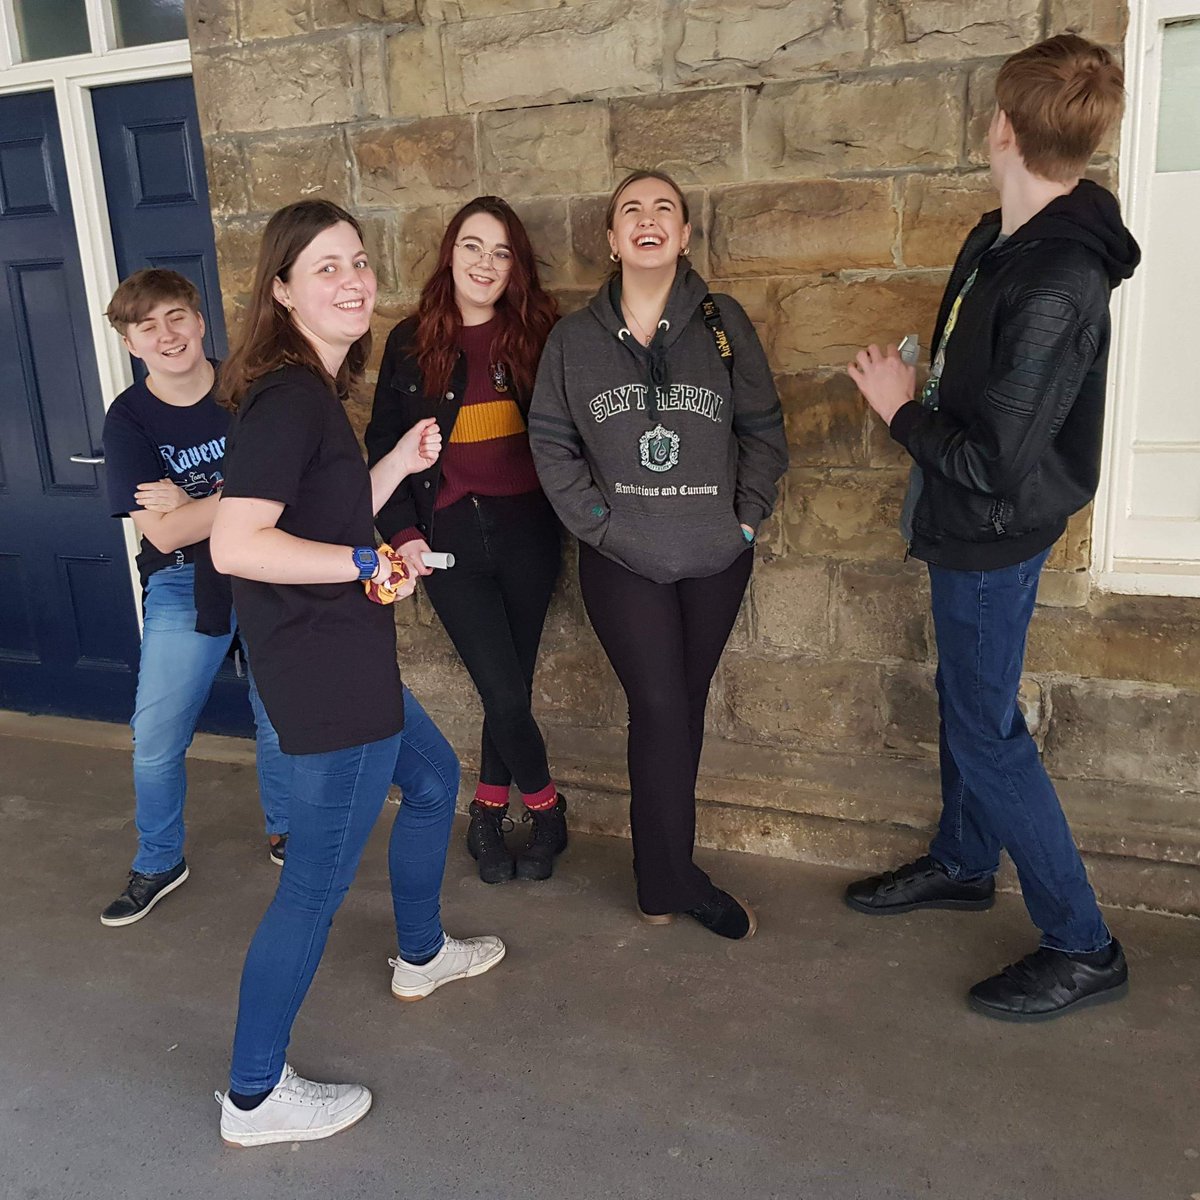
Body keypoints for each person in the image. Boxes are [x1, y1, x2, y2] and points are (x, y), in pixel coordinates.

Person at [844, 34, 1140, 1021]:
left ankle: (1082, 942)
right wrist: (923, 384)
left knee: (986, 726)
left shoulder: (1060, 281)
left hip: (993, 529)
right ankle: (967, 861)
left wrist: (896, 409)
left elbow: (992, 461)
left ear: (1001, 127)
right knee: (968, 702)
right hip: (969, 521)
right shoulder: (1000, 238)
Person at [209, 199, 504, 1147]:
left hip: (344, 662)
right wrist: (365, 564)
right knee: (314, 887)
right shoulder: (290, 398)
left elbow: (326, 517)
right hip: (328, 677)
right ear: (282, 288)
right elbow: (237, 543)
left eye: (360, 261)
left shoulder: (312, 393)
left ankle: (420, 953)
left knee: (433, 780)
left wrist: (387, 470)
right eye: (325, 265)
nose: (352, 279)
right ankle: (253, 1095)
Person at [529, 170, 788, 940]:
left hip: (715, 557)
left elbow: (764, 429)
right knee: (663, 705)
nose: (647, 220)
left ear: (681, 236)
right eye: (631, 211)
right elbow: (550, 441)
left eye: (664, 210)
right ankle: (668, 876)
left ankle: (665, 871)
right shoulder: (573, 341)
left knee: (684, 707)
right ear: (612, 239)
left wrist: (746, 521)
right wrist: (599, 526)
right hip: (623, 559)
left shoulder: (722, 323)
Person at [366, 196, 565, 885]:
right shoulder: (409, 340)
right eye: (474, 246)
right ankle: (544, 806)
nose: (486, 263)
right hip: (448, 535)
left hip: (529, 531)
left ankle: (485, 808)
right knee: (502, 689)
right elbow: (380, 447)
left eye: (502, 252)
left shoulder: (540, 335)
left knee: (510, 682)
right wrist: (402, 532)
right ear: (450, 252)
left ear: (517, 268)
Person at [98, 269, 289, 928]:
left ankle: (285, 831)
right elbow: (170, 530)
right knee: (155, 735)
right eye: (146, 325)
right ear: (130, 342)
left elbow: (291, 484)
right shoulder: (128, 420)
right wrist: (234, 496)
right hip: (183, 576)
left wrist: (198, 501)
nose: (165, 334)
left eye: (175, 316)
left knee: (278, 712)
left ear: (200, 321)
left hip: (266, 563)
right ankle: (159, 859)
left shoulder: (248, 388)